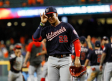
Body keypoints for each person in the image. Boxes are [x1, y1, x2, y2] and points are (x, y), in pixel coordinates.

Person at [32, 6, 81, 81]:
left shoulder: (67, 26)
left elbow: (76, 41)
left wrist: (77, 58)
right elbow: (35, 38)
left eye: (52, 15)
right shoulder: (46, 29)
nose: (50, 17)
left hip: (65, 59)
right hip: (52, 60)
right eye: (48, 16)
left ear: (57, 14)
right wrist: (41, 23)